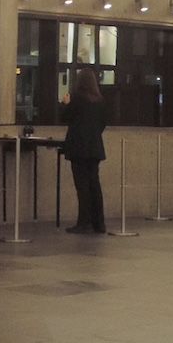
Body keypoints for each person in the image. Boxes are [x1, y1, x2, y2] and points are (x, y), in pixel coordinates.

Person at [60, 67, 108, 235]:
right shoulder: (100, 100)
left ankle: (83, 222)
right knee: (94, 185)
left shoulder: (77, 99)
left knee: (82, 186)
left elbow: (65, 118)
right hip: (95, 147)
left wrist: (65, 104)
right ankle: (99, 223)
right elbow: (103, 123)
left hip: (79, 147)